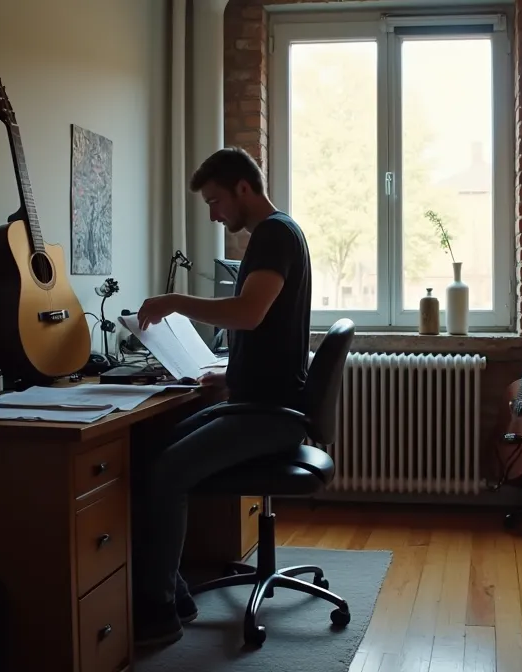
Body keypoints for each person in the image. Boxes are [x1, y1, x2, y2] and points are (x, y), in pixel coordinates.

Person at [129, 147, 313, 648]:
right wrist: (230, 379)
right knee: (146, 450)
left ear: (243, 188)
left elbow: (248, 313)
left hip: (270, 416)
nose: (212, 214)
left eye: (215, 201)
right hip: (255, 403)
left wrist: (174, 301)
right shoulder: (275, 235)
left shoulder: (275, 234)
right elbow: (268, 331)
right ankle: (172, 592)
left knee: (167, 471)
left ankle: (158, 610)